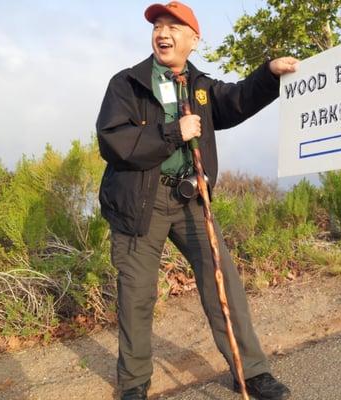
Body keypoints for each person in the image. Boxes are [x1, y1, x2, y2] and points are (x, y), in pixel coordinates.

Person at [96, 2, 298, 399]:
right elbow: (113, 142)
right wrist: (173, 132)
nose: (163, 33)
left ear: (193, 39)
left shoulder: (200, 87)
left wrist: (270, 73)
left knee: (222, 281)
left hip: (191, 199)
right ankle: (134, 385)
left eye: (174, 26)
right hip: (141, 203)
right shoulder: (127, 84)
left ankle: (250, 372)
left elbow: (237, 100)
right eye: (158, 26)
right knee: (137, 294)